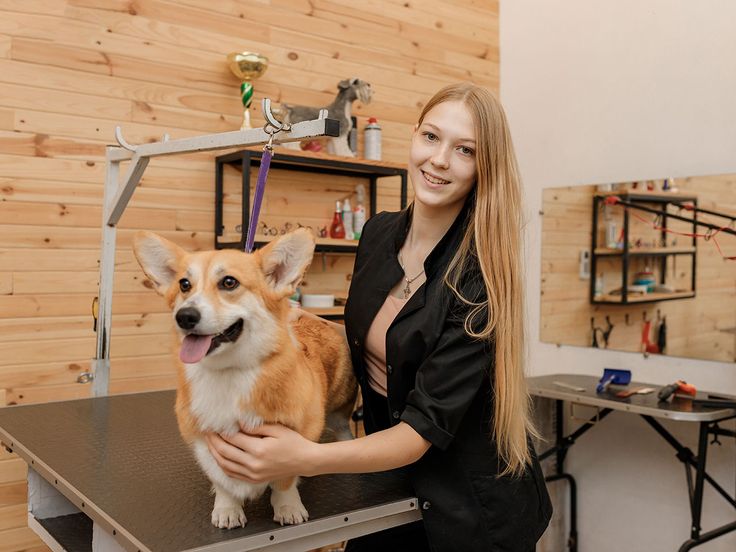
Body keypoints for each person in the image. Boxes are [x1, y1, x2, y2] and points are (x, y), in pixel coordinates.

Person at [205, 82, 553, 551]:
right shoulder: (378, 233)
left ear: (483, 166)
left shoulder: (479, 282)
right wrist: (284, 318)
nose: (439, 160)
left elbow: (418, 431)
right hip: (388, 480)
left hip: (472, 509)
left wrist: (304, 457)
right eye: (431, 137)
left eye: (464, 150)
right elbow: (379, 340)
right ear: (413, 136)